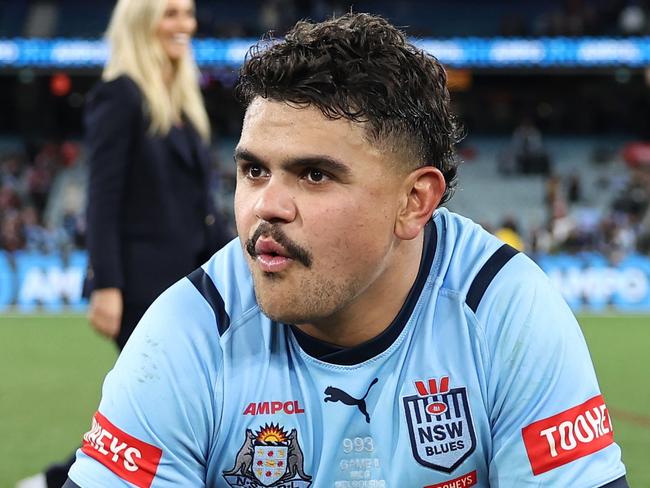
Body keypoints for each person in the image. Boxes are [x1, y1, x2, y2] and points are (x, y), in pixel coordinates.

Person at [64, 13, 626, 487]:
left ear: (414, 201)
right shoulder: (189, 329)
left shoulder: (505, 309)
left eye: (314, 175)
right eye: (253, 170)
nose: (267, 206)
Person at [18, 0, 230, 487]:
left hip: (187, 284)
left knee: (170, 410)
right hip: (141, 287)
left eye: (189, 13)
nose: (185, 25)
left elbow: (200, 209)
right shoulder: (121, 96)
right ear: (141, 22)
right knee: (159, 408)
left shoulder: (179, 100)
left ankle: (54, 480)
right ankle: (57, 480)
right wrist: (106, 284)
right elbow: (104, 197)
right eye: (171, 13)